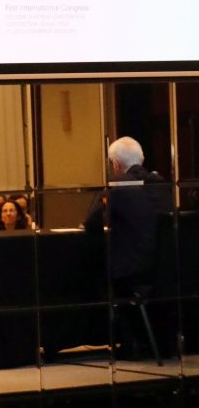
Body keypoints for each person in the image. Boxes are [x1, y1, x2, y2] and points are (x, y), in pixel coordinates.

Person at [83, 136, 170, 359]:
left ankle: (129, 341)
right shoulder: (160, 184)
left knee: (94, 275)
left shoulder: (119, 184)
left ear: (116, 164)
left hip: (132, 270)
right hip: (164, 268)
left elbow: (91, 222)